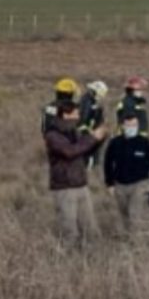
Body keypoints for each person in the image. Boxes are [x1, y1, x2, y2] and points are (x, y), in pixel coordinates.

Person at [45, 101, 107, 247]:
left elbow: (84, 151)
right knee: (69, 231)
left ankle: (92, 261)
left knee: (90, 229)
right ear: (66, 114)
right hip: (64, 188)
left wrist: (99, 138)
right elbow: (70, 151)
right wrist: (92, 138)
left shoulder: (74, 132)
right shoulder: (52, 135)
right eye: (76, 113)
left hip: (81, 185)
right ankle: (65, 264)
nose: (79, 116)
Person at [104, 113, 149, 235]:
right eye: (128, 125)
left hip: (140, 183)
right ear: (123, 126)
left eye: (134, 125)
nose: (131, 127)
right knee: (124, 213)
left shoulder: (144, 142)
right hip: (120, 185)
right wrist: (109, 184)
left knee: (135, 213)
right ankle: (128, 236)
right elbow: (108, 163)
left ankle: (138, 242)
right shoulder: (115, 143)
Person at [79, 80, 108, 169]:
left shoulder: (92, 101)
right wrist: (88, 131)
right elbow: (84, 118)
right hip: (86, 132)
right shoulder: (87, 102)